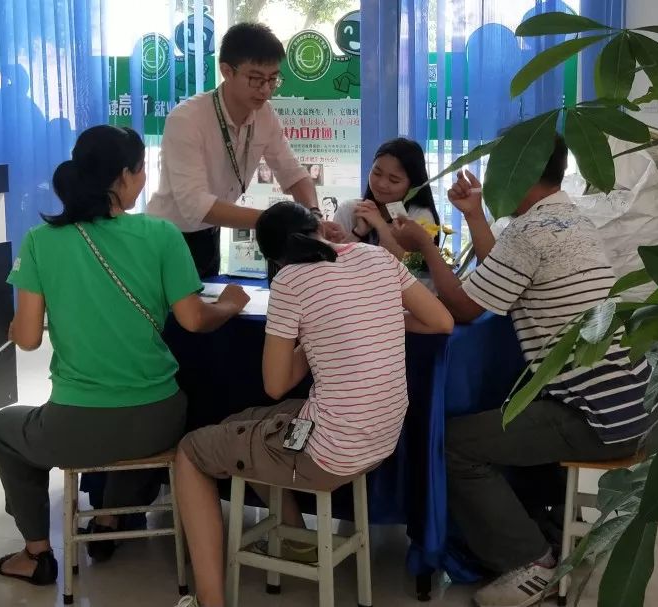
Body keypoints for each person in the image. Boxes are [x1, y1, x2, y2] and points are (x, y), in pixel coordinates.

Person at [392, 135, 658, 607]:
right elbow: (501, 270)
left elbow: (465, 307)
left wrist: (425, 246)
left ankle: (530, 562)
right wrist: (475, 215)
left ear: (524, 172)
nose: (494, 180)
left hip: (597, 418)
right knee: (504, 421)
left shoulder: (530, 232)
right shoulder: (567, 217)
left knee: (456, 444)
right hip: (635, 407)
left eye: (501, 170)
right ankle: (545, 528)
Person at [0, 125, 250, 586]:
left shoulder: (41, 241)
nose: (144, 179)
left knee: (4, 429)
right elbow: (193, 319)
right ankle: (108, 523)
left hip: (76, 426)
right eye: (142, 169)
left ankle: (36, 553)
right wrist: (229, 304)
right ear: (124, 176)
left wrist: (17, 325)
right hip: (161, 418)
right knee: (135, 430)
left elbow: (26, 339)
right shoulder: (161, 234)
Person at [173, 201, 454, 607]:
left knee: (192, 451)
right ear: (320, 227)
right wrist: (375, 317)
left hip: (328, 453)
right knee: (243, 424)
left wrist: (312, 337)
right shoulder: (377, 257)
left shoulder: (290, 280)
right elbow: (441, 321)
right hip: (381, 441)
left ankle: (209, 601)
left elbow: (275, 385)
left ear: (272, 258)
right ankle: (297, 539)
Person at [147, 22, 344, 278]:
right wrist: (280, 224)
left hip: (209, 232)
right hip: (168, 235)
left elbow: (294, 174)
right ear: (226, 71)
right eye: (256, 79)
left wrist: (314, 217)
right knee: (174, 305)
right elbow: (196, 205)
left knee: (209, 297)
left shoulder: (265, 115)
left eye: (272, 79)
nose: (266, 90)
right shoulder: (187, 119)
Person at [334, 137, 440, 260]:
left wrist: (380, 225)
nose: (381, 184)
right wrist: (358, 232)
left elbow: (410, 266)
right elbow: (331, 262)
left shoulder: (420, 216)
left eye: (394, 180)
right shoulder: (349, 210)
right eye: (377, 173)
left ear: (412, 185)